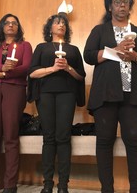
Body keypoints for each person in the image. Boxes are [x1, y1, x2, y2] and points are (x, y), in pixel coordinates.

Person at [83, 0, 137, 193]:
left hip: (133, 94)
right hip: (106, 93)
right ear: (109, 6)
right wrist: (114, 51)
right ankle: (107, 189)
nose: (122, 5)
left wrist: (135, 56)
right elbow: (88, 56)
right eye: (117, 2)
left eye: (126, 2)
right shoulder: (100, 31)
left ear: (130, 6)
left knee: (134, 141)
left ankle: (136, 189)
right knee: (104, 141)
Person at [28, 14, 86, 193]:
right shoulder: (41, 47)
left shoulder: (74, 49)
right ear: (49, 28)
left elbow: (80, 76)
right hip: (45, 93)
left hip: (67, 94)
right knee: (49, 138)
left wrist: (67, 68)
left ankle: (63, 185)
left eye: (64, 23)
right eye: (57, 23)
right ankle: (47, 184)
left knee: (63, 137)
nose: (61, 25)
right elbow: (32, 73)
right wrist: (53, 68)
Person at [0, 13, 32, 193]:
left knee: (10, 136)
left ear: (18, 27)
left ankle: (10, 184)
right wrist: (1, 69)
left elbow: (26, 67)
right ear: (2, 26)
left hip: (14, 89)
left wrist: (11, 70)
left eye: (14, 23)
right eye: (7, 23)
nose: (11, 25)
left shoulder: (25, 45)